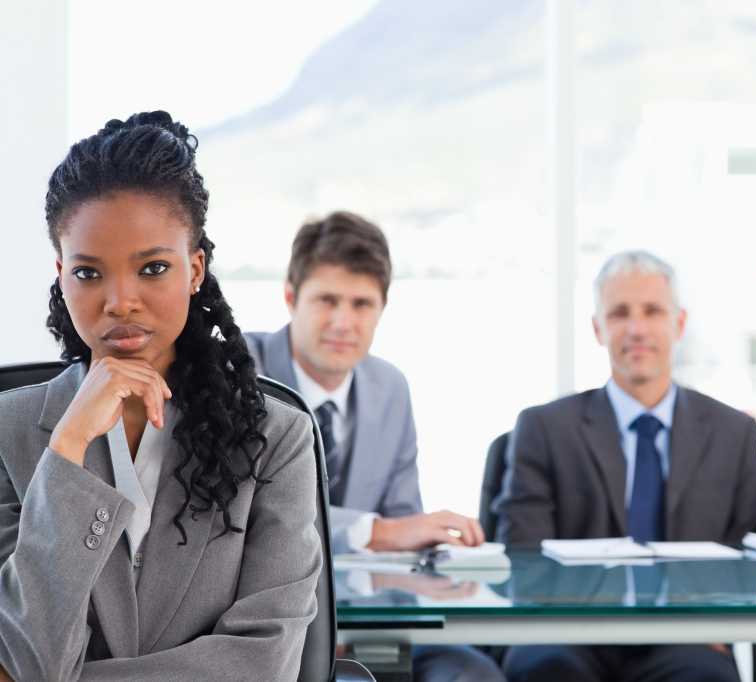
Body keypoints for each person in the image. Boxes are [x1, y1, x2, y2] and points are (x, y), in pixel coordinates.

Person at [0, 111, 321, 681]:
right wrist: (69, 446)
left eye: (152, 268)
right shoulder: (8, 431)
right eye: (88, 273)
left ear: (194, 269)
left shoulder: (276, 437)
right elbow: (26, 657)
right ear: (60, 274)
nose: (120, 301)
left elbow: (266, 664)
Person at [244, 211, 504, 682]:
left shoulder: (391, 388)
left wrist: (435, 561)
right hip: (269, 633)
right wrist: (377, 532)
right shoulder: (242, 373)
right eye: (327, 300)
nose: (343, 322)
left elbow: (405, 521)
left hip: (373, 628)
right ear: (289, 297)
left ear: (382, 309)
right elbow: (252, 514)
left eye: (362, 304)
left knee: (473, 674)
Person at [495, 249, 756, 682]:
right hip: (570, 634)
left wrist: (713, 627)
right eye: (620, 313)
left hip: (687, 638)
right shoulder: (544, 428)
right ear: (598, 329)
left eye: (653, 311)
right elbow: (524, 558)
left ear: (679, 324)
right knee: (543, 666)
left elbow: (744, 563)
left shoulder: (733, 435)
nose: (637, 329)